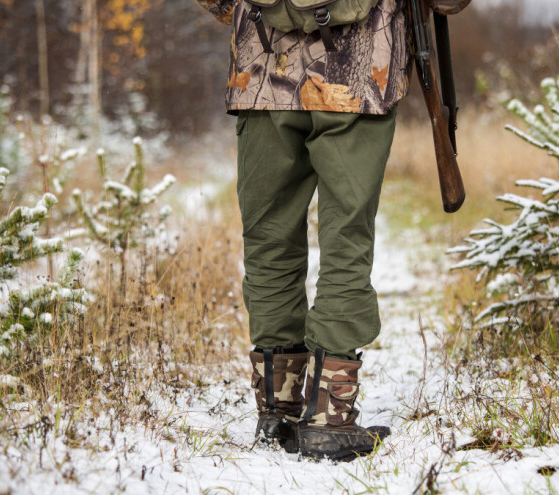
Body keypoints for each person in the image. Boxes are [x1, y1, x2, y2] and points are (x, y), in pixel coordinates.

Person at [195, 0, 411, 461]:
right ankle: (330, 420)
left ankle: (278, 410)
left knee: (269, 236)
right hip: (358, 75)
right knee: (346, 237)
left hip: (261, 75)